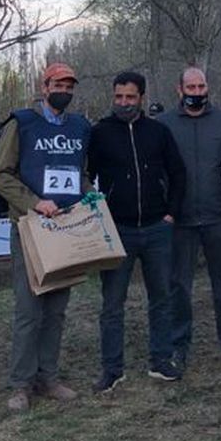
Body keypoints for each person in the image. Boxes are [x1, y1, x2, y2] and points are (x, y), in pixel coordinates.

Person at [0, 62, 91, 411]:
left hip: (66, 226)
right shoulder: (21, 124)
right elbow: (0, 173)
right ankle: (20, 383)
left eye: (69, 84)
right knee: (29, 308)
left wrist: (90, 197)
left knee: (57, 308)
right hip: (31, 227)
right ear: (44, 86)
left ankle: (48, 377)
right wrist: (34, 203)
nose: (64, 89)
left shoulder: (79, 127)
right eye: (58, 83)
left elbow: (81, 173)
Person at [86, 71, 187, 394]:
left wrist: (171, 212)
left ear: (141, 97)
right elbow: (84, 174)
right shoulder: (100, 133)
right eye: (118, 97)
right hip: (118, 230)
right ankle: (112, 369)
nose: (123, 103)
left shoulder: (158, 131)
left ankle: (161, 360)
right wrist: (97, 206)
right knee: (112, 304)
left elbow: (178, 172)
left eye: (130, 97)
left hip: (158, 227)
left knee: (161, 298)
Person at [156, 67, 221, 369]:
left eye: (201, 86)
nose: (197, 92)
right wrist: (166, 208)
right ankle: (180, 343)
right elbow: (159, 171)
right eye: (190, 87)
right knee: (179, 285)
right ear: (179, 90)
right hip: (180, 219)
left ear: (208, 87)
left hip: (219, 215)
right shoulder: (164, 123)